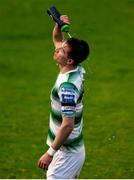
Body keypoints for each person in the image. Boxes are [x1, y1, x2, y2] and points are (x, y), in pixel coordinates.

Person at [38, 15, 90, 179]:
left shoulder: (67, 88)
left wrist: (49, 153)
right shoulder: (76, 68)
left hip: (67, 154)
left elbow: (68, 125)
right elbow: (57, 39)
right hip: (68, 149)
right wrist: (58, 25)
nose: (57, 49)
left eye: (62, 50)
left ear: (69, 60)